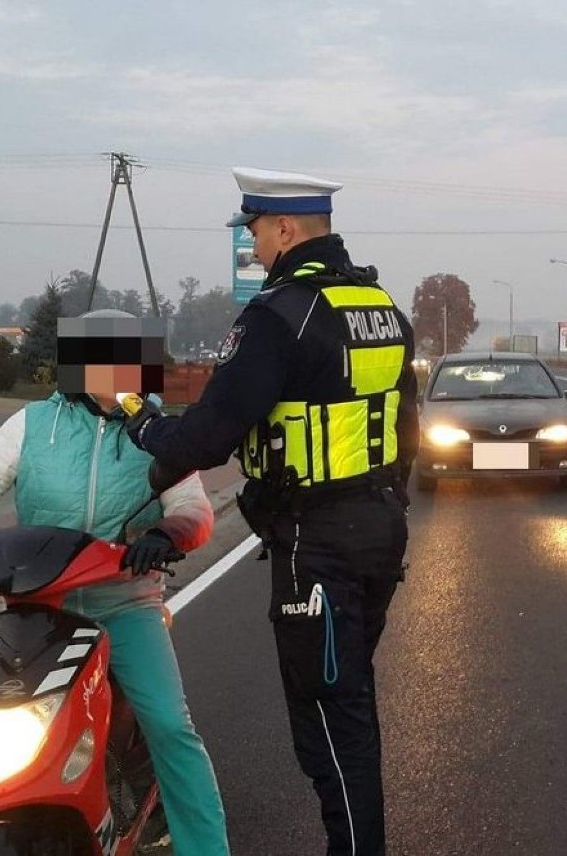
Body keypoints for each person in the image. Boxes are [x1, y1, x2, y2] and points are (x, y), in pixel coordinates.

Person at [125, 168, 419, 856]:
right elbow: (406, 428)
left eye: (254, 230)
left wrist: (143, 426)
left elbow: (207, 437)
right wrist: (386, 502)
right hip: (378, 529)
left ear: (285, 229)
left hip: (316, 545)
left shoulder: (279, 313)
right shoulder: (378, 303)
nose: (253, 245)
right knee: (347, 700)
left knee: (329, 720)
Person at [0, 310, 230, 856]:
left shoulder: (157, 434)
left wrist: (165, 531)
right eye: (108, 363)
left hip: (125, 605)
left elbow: (194, 510)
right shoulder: (32, 425)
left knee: (170, 727)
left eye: (132, 364)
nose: (122, 376)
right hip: (36, 609)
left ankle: (206, 847)